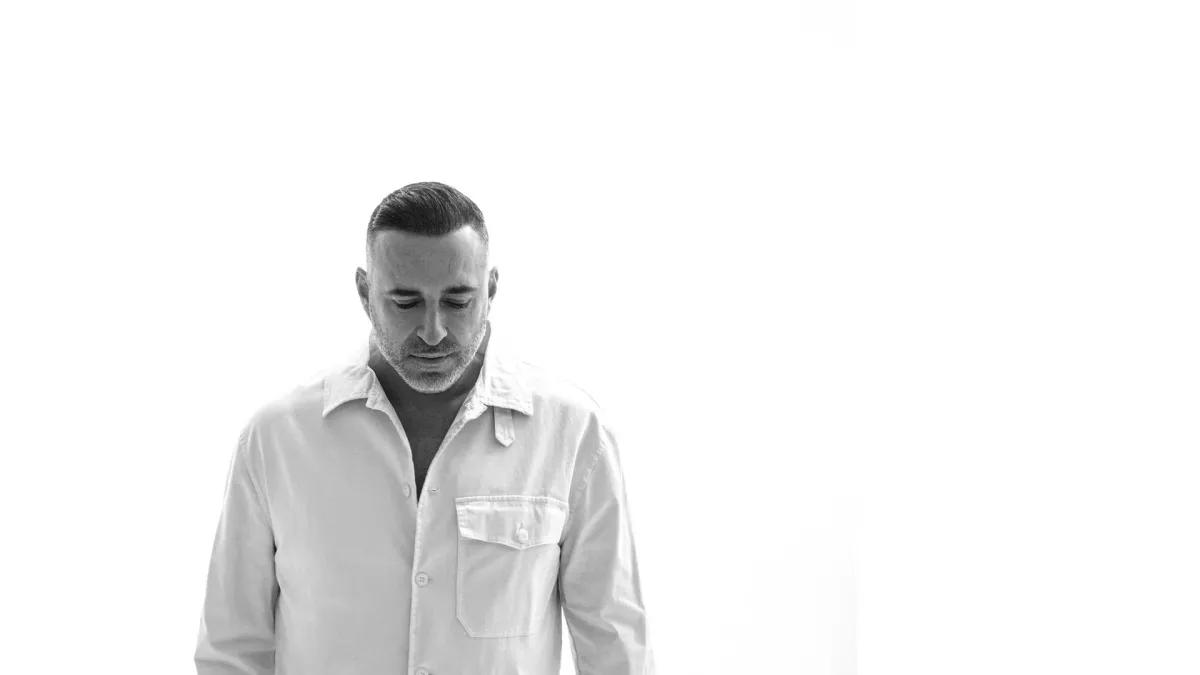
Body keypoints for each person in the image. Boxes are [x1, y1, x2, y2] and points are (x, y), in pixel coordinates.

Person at [194, 182, 656, 675]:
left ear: (491, 290)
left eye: (457, 302)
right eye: (405, 302)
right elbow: (232, 652)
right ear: (364, 293)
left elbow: (616, 650)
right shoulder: (277, 439)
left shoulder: (573, 433)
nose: (433, 332)